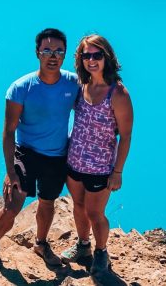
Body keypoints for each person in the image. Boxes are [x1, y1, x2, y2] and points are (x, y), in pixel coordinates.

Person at [0, 28, 79, 272]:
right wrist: (10, 171)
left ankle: (41, 244)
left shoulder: (73, 83)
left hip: (57, 156)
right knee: (12, 206)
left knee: (48, 202)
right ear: (37, 53)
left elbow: (93, 108)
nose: (52, 56)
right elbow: (8, 131)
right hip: (26, 153)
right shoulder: (20, 88)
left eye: (58, 51)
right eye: (47, 50)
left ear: (64, 55)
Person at [60, 34, 133, 275]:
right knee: (78, 207)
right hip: (74, 161)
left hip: (101, 167)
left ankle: (101, 252)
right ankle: (83, 246)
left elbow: (126, 136)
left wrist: (118, 171)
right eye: (86, 56)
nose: (91, 60)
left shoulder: (118, 93)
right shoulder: (80, 87)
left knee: (95, 213)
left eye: (96, 55)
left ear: (106, 57)